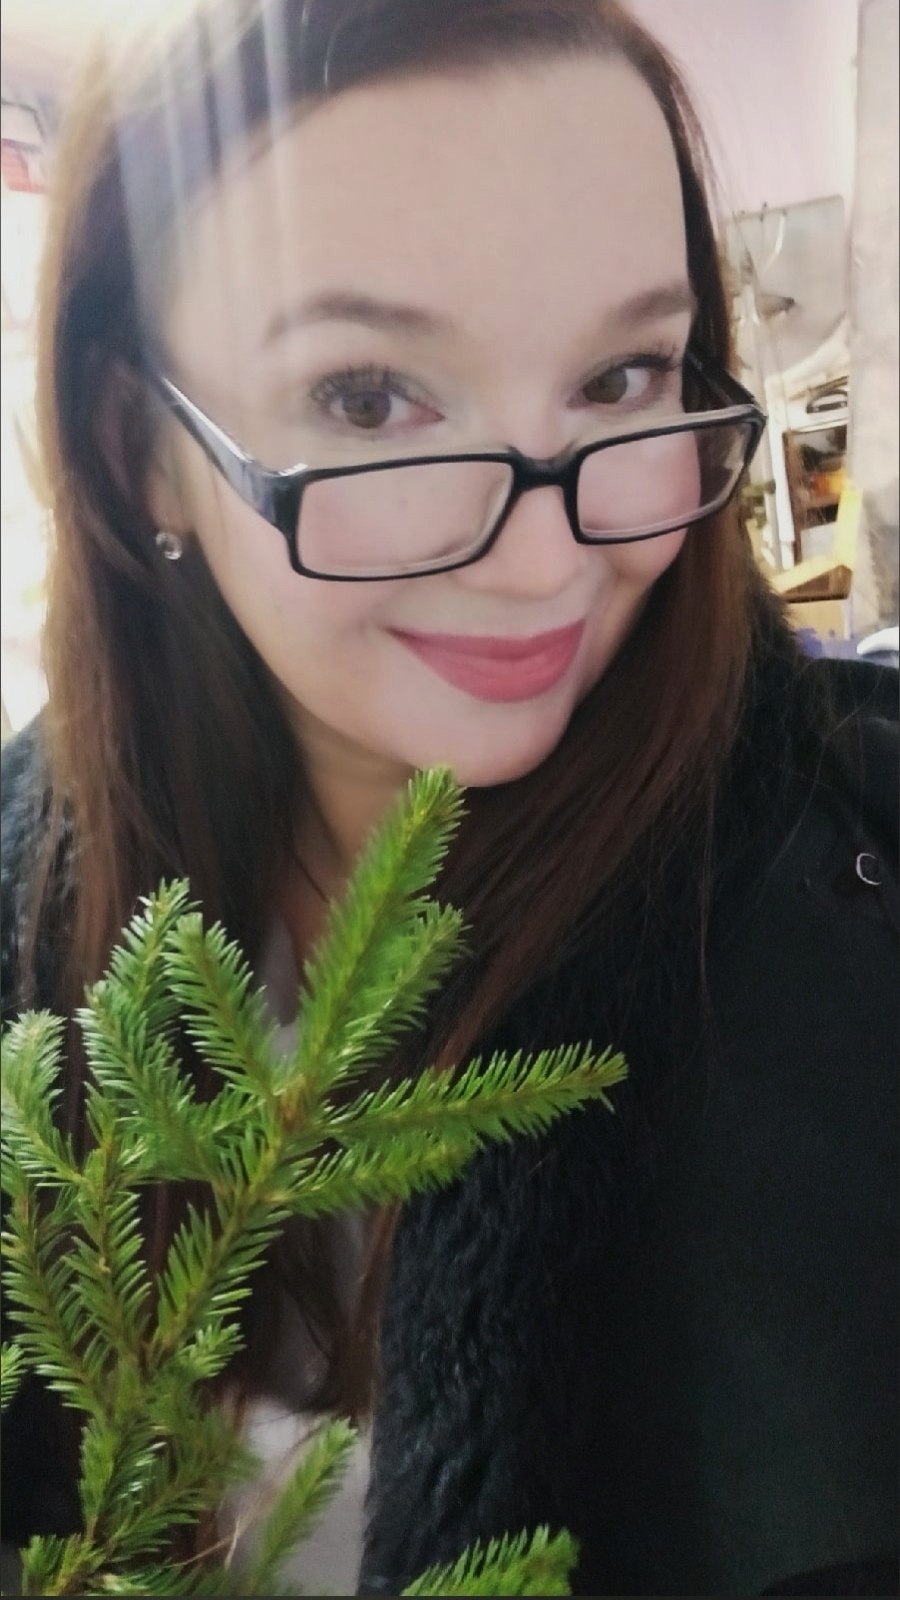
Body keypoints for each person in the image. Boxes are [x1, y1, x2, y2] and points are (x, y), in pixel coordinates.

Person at [1, 1, 896, 1593]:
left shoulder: (852, 868)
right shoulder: (31, 915)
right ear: (141, 446)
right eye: (368, 398)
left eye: (623, 375)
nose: (549, 562)